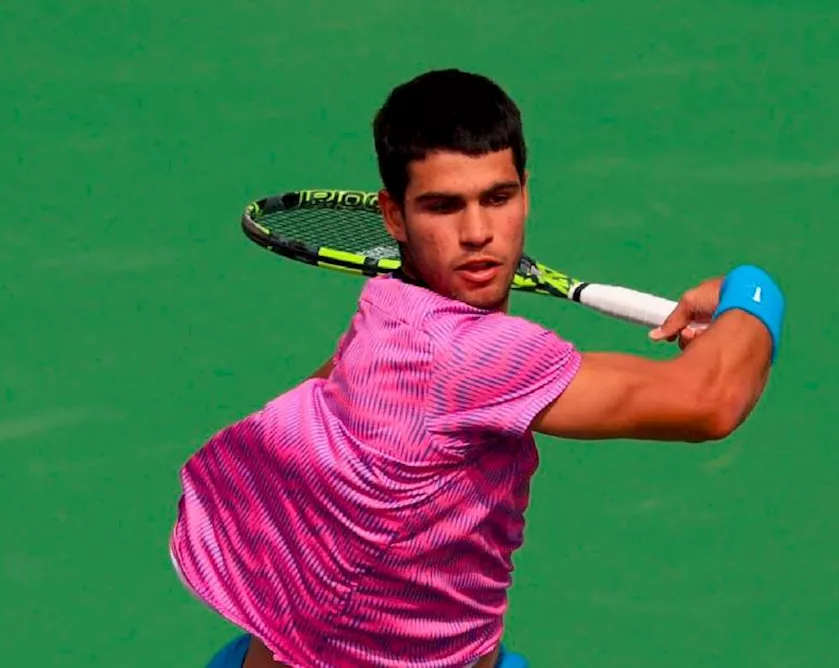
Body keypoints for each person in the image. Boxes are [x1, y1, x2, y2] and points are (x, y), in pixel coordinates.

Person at [169, 68, 785, 668]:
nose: (477, 233)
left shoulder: (384, 316)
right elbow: (711, 399)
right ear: (391, 215)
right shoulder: (473, 357)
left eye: (498, 197)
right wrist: (752, 293)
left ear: (526, 192)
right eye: (443, 206)